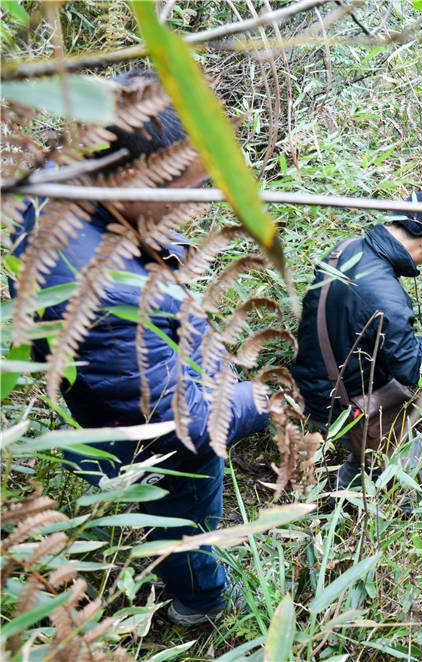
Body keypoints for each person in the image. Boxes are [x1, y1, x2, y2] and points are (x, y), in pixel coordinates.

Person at [8, 70, 269, 626]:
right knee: (184, 523)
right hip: (159, 438)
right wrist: (263, 395)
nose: (197, 204)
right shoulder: (104, 292)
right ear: (132, 175)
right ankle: (198, 605)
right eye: (187, 189)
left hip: (108, 395)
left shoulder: (57, 180)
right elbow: (192, 427)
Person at [290, 192, 422, 489]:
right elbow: (415, 370)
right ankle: (385, 499)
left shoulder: (344, 249)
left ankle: (353, 477)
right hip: (337, 408)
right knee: (414, 478)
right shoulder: (387, 297)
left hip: (304, 387)